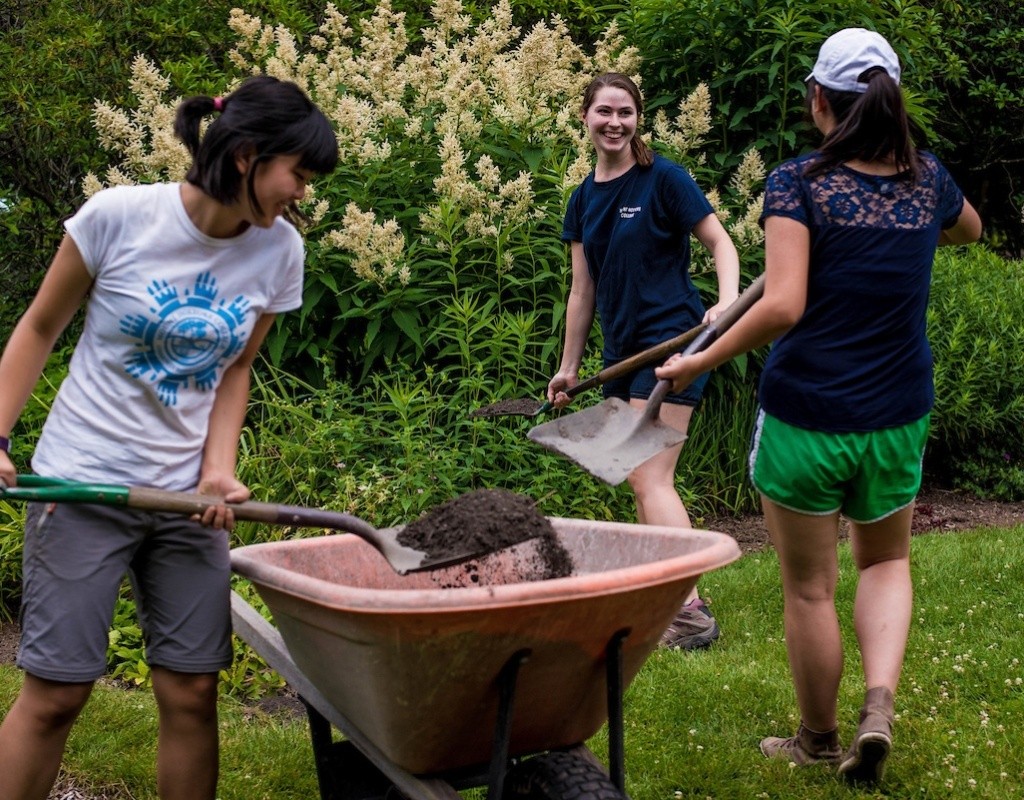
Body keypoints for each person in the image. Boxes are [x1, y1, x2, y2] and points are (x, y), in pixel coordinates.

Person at [656, 28, 981, 784]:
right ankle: (878, 704)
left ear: (819, 101)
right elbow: (970, 230)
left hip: (807, 418)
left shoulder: (799, 181)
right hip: (898, 416)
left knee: (809, 586)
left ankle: (817, 739)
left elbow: (784, 303)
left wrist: (699, 359)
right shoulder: (928, 179)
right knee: (886, 560)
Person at [0, 75, 338, 800]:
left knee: (191, 692)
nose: (302, 194)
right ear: (248, 155)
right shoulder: (119, 217)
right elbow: (38, 327)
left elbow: (237, 368)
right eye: (298, 175)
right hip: (83, 482)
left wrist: (218, 472)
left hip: (187, 500)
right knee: (57, 695)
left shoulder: (280, 252)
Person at [547, 72, 740, 650]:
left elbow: (721, 243)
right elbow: (583, 291)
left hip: (675, 341)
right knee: (641, 480)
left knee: (648, 473)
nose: (614, 122)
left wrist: (726, 303)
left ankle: (689, 610)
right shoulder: (583, 199)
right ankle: (668, 600)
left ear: (638, 118)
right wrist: (569, 366)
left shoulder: (663, 179)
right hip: (622, 351)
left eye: (625, 112)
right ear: (585, 117)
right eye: (604, 111)